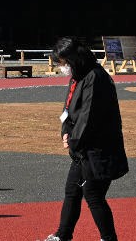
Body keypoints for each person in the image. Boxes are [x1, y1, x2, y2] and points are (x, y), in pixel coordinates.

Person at [42, 37, 128, 241]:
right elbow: (68, 109)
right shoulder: (78, 77)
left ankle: (109, 238)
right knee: (72, 191)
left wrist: (73, 141)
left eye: (63, 63)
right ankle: (63, 235)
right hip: (82, 149)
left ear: (74, 59)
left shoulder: (95, 78)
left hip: (98, 149)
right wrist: (65, 130)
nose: (62, 67)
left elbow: (88, 117)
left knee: (93, 194)